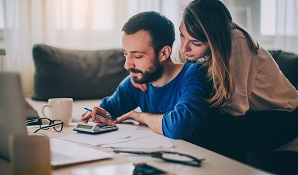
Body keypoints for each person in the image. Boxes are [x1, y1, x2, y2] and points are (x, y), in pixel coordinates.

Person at [132, 0, 298, 165]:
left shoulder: (236, 42)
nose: (185, 48)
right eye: (182, 35)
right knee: (190, 115)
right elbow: (170, 69)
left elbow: (237, 107)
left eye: (196, 43)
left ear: (214, 40)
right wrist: (143, 75)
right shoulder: (188, 44)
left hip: (283, 115)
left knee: (209, 124)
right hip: (251, 114)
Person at [81, 11, 211, 145]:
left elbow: (179, 127)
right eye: (126, 54)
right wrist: (98, 115)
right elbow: (108, 110)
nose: (127, 65)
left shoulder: (195, 74)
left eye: (137, 56)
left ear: (164, 53)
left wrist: (142, 116)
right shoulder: (138, 80)